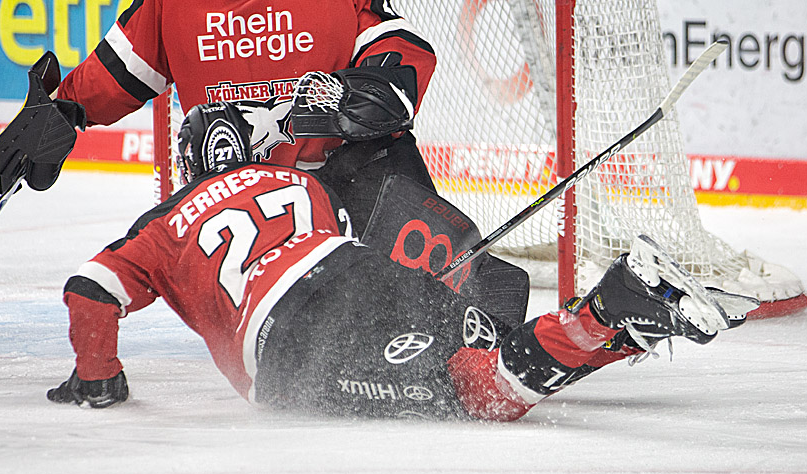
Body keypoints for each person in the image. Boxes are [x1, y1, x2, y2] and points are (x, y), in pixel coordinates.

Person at [0, 0, 529, 322]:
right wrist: (64, 110)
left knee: (455, 294)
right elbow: (122, 70)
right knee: (307, 316)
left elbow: (397, 60)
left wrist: (345, 100)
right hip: (238, 188)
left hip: (347, 171)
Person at [46, 102, 758, 420]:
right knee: (486, 361)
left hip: (292, 346)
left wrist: (98, 378)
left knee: (477, 395)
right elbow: (363, 243)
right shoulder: (300, 183)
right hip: (360, 268)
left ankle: (609, 308)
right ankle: (623, 322)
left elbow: (91, 287)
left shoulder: (163, 225)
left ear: (190, 162)